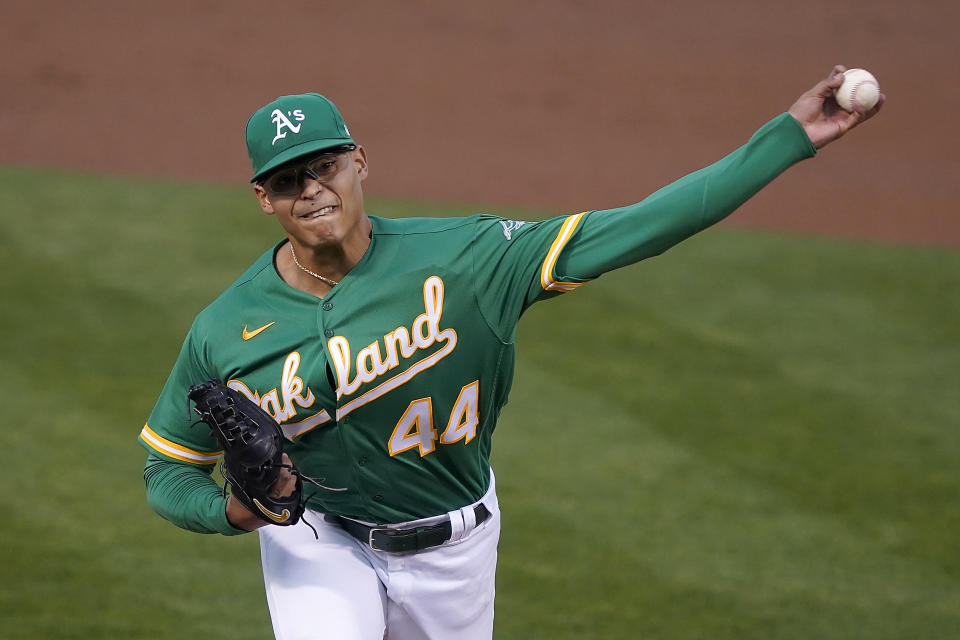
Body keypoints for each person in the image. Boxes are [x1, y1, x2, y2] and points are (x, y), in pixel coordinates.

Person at [140, 65, 883, 639]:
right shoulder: (224, 330)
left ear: (359, 161)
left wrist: (786, 138)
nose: (311, 190)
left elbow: (645, 224)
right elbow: (166, 467)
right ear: (263, 199)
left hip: (453, 547)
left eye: (324, 166)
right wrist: (235, 510)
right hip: (318, 539)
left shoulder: (470, 260)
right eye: (286, 180)